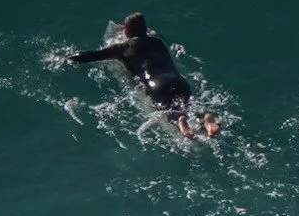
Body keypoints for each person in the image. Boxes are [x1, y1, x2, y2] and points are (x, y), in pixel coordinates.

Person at [72, 12, 219, 137]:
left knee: (171, 113)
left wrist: (69, 57)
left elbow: (91, 56)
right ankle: (207, 119)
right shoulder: (157, 41)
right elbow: (152, 33)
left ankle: (181, 123)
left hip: (157, 86)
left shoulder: (123, 48)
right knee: (191, 105)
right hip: (178, 81)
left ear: (127, 32)